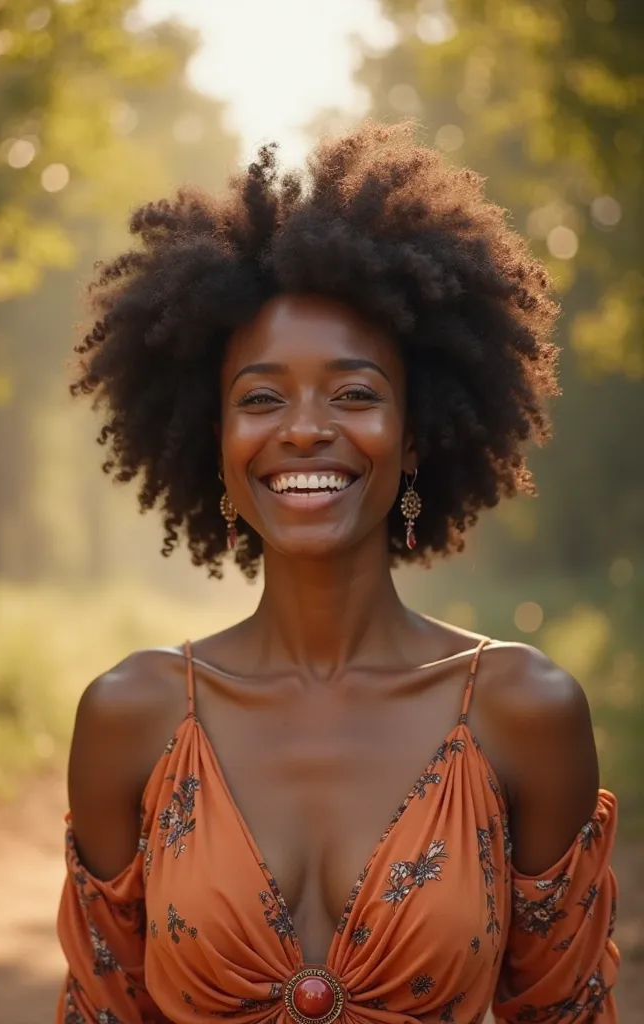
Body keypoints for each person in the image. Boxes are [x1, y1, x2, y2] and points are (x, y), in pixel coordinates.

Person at [56, 122, 618, 1024]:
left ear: (419, 431)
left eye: (354, 394)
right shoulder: (130, 716)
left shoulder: (526, 711)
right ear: (218, 444)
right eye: (261, 398)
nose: (306, 429)